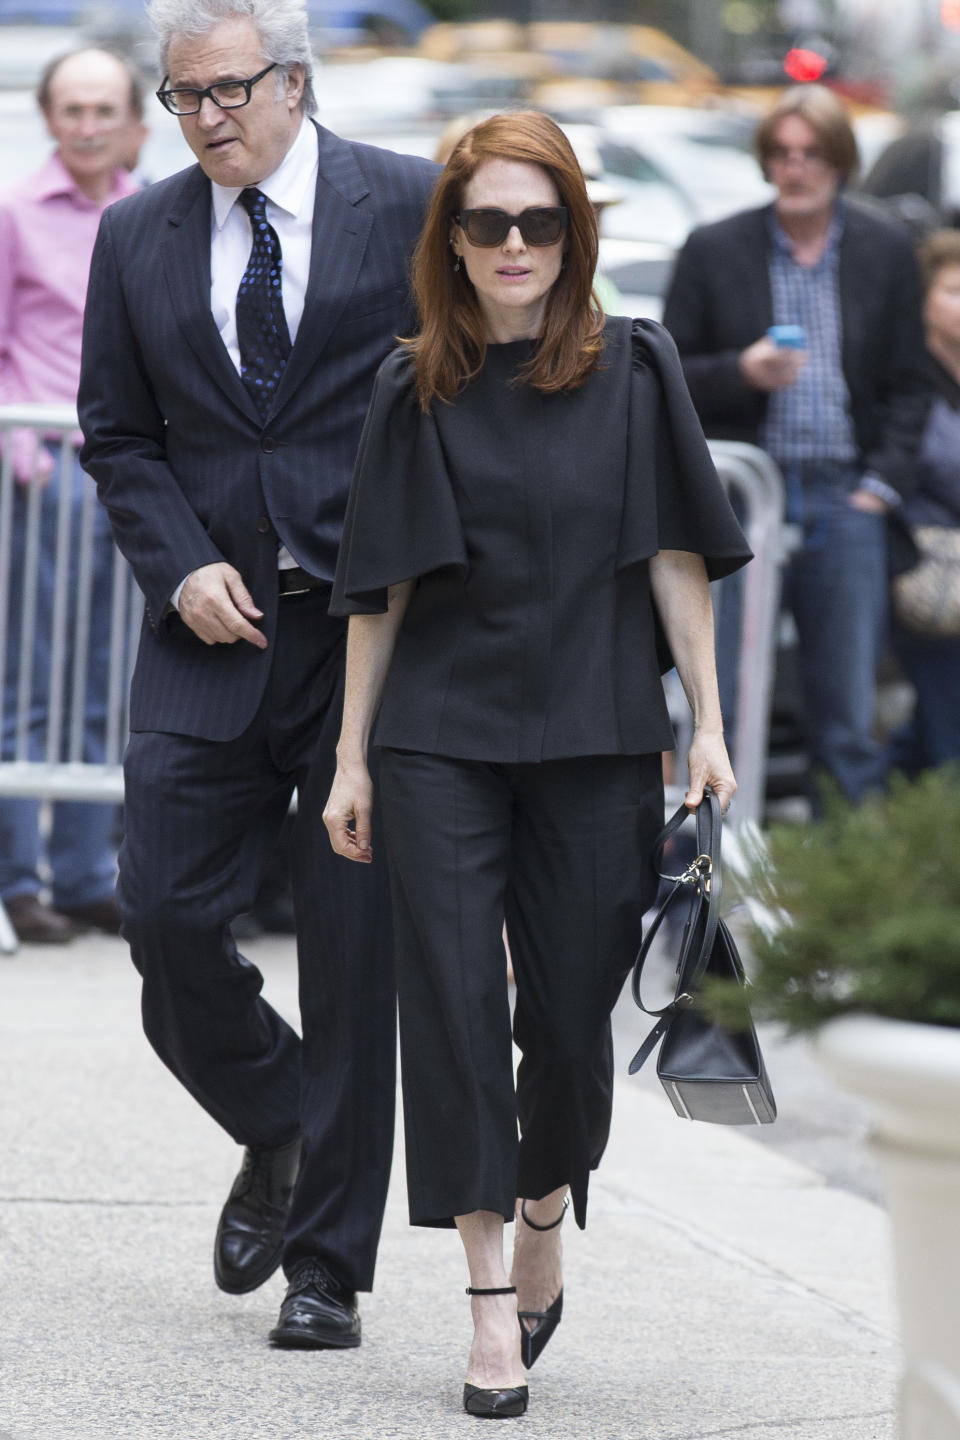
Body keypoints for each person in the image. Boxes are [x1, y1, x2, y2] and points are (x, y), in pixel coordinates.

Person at [323, 111, 751, 1419]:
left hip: (595, 732)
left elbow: (677, 555)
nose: (514, 244)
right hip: (439, 739)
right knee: (452, 1011)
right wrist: (350, 755)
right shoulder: (413, 385)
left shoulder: (636, 366)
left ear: (575, 231)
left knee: (568, 1027)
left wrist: (714, 728)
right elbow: (379, 589)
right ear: (451, 241)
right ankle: (488, 1303)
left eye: (539, 220)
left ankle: (551, 1194)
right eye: (488, 222)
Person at [77, 0, 437, 1349]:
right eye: (183, 97)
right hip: (205, 636)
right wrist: (174, 564)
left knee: (352, 958)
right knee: (163, 920)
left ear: (296, 80)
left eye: (229, 90)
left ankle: (329, 1271)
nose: (207, 117)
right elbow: (118, 435)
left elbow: (460, 395)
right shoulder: (139, 233)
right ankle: (284, 1124)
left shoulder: (405, 203)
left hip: (367, 635)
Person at [662, 84, 930, 807]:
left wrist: (881, 487)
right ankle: (714, 867)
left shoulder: (883, 247)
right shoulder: (716, 248)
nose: (796, 167)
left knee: (844, 711)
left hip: (848, 495)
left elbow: (914, 381)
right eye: (781, 153)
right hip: (743, 499)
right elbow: (666, 374)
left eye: (812, 153)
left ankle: (845, 895)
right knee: (724, 702)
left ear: (840, 160)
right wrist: (742, 371)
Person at [0, 49, 145, 945]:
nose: (87, 125)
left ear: (131, 118)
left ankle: (91, 872)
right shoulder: (16, 213)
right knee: (33, 673)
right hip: (49, 472)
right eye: (72, 108)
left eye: (104, 109)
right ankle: (19, 875)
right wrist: (24, 448)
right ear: (50, 117)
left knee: (115, 675)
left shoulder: (156, 211)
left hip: (133, 473)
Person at [890, 230, 960, 771]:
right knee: (944, 729)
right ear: (924, 301)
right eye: (954, 291)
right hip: (929, 567)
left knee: (930, 735)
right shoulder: (909, 377)